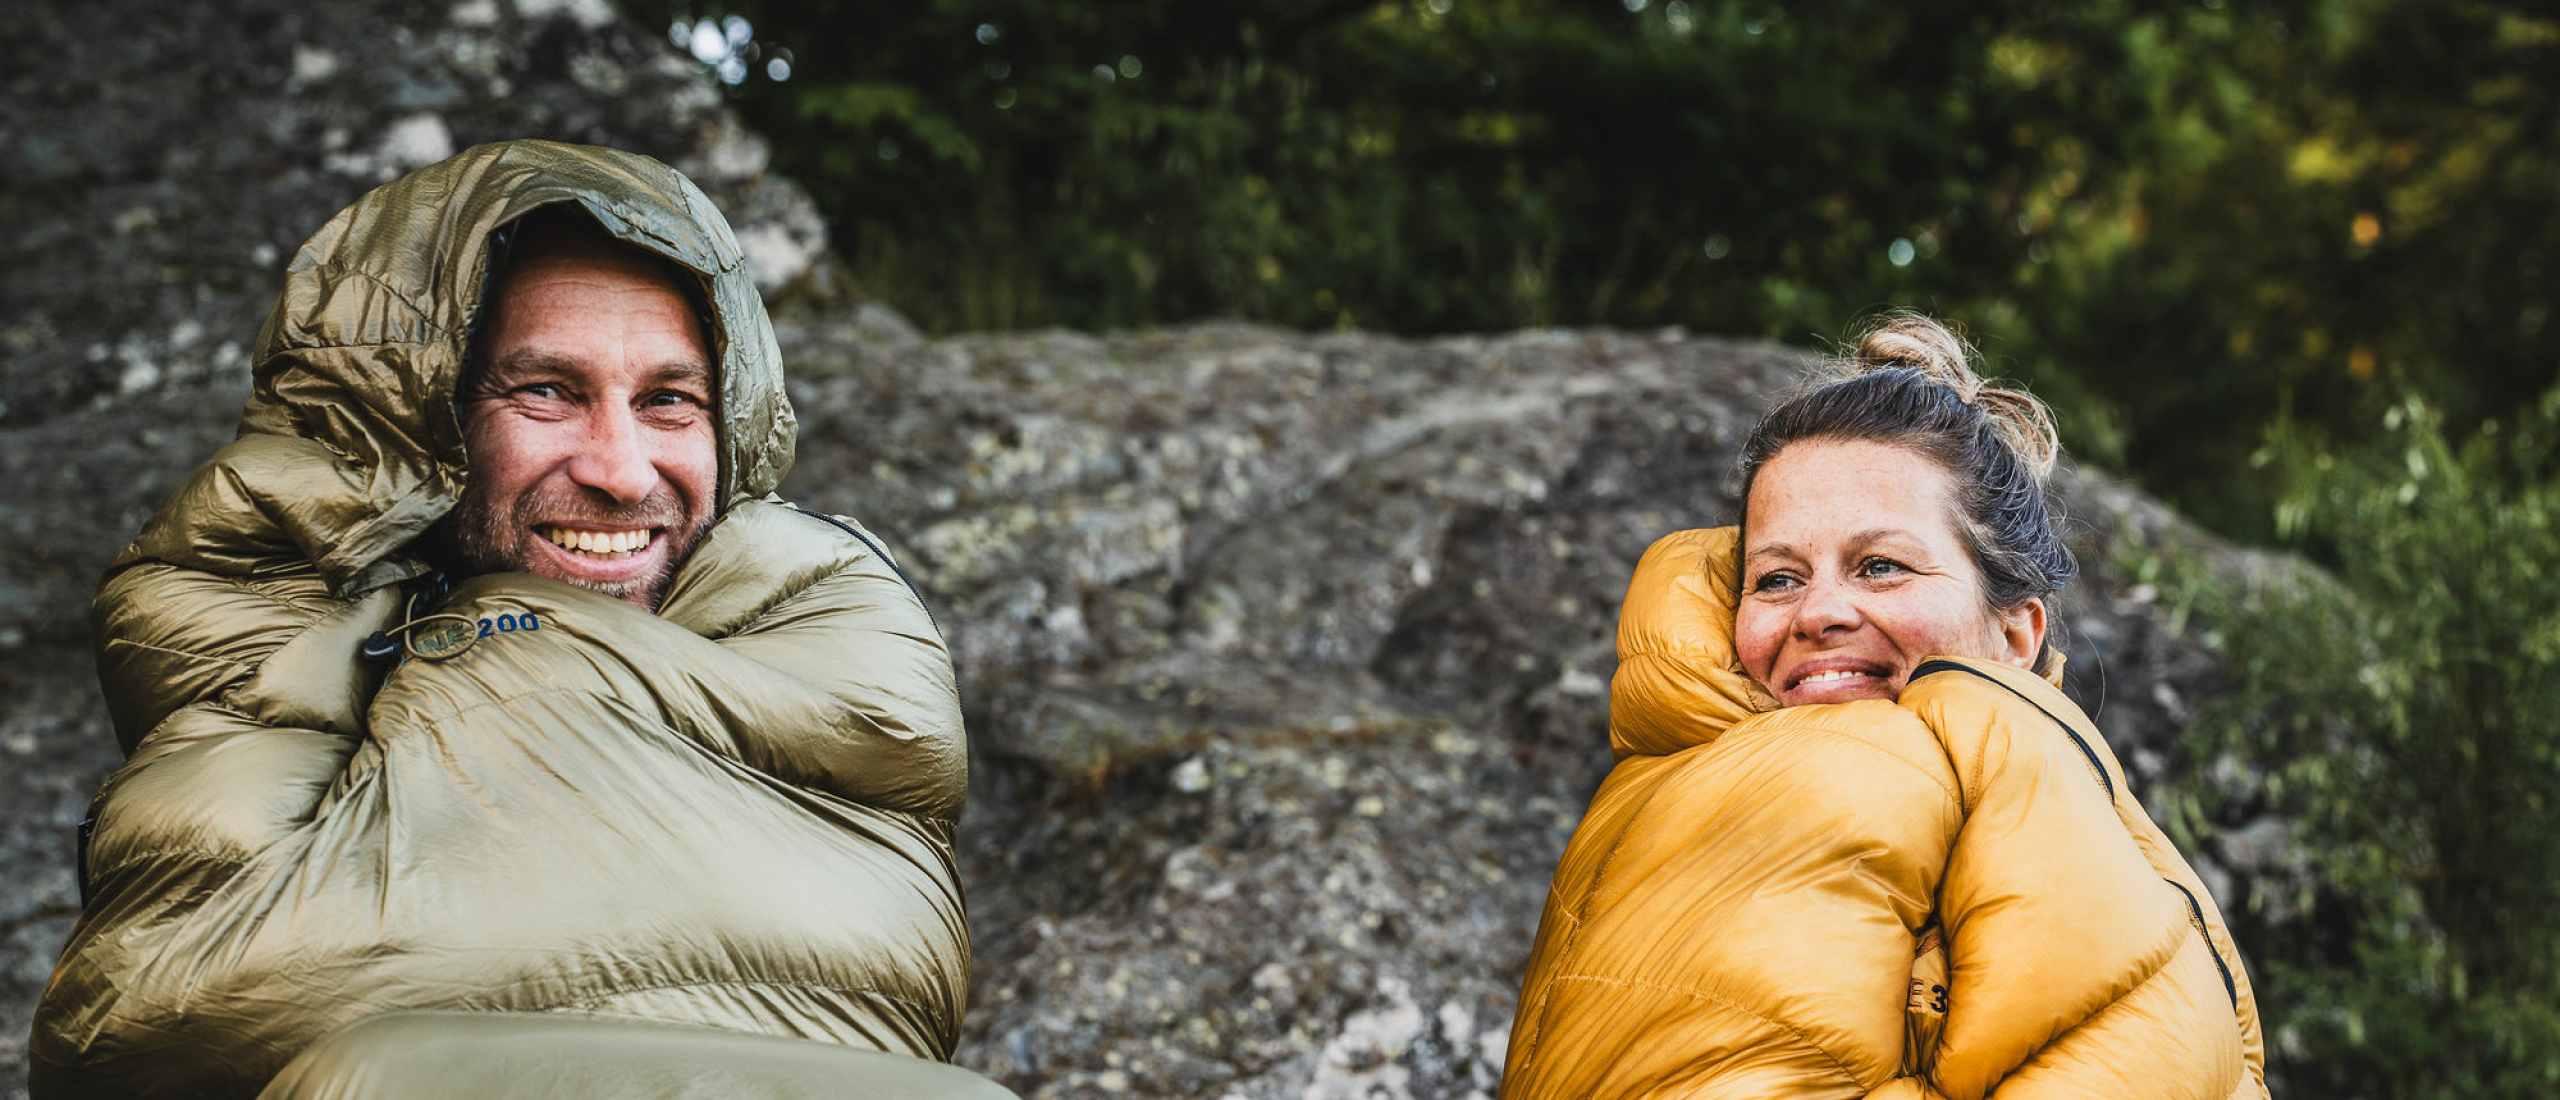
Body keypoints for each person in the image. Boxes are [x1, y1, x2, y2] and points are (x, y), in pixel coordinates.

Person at [31, 141, 1011, 1100]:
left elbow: (877, 964)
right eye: (546, 391)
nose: (621, 469)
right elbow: (155, 1010)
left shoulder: (819, 616)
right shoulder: (267, 632)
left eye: (670, 400)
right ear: (408, 424)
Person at [1500, 314, 2268, 1099]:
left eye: (1881, 566)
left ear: (2015, 635)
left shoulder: (2100, 883)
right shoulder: (1651, 797)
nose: (1817, 613)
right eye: (1777, 578)